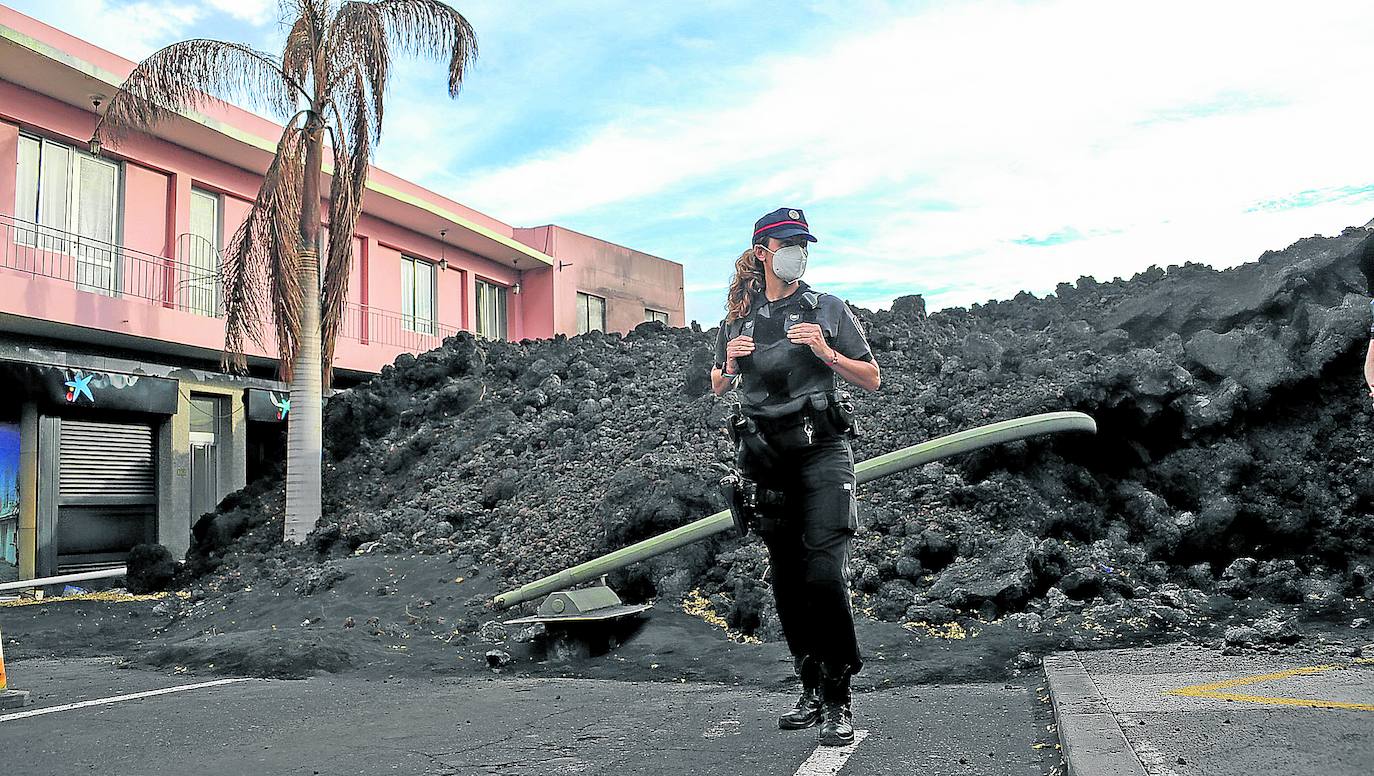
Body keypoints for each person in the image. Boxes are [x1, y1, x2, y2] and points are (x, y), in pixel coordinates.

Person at [710, 207, 880, 746]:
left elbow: (872, 378)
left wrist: (825, 352)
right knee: (785, 579)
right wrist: (729, 366)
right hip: (765, 458)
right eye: (788, 243)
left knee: (823, 574)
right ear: (763, 252)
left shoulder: (828, 307)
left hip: (823, 450)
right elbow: (716, 386)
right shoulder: (738, 320)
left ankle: (838, 696)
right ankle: (809, 685)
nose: (798, 252)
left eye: (804, 244)